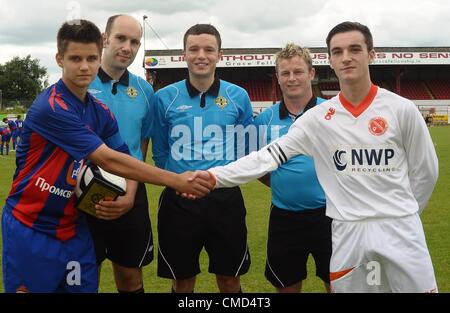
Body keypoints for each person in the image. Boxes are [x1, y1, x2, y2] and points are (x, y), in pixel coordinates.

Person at [194, 21, 439, 293]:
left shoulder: (402, 110)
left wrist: (403, 214)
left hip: (401, 230)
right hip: (348, 232)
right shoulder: (318, 119)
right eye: (338, 51)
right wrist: (213, 177)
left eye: (354, 49)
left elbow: (425, 173)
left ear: (371, 54)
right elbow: (266, 157)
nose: (346, 57)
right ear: (330, 60)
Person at [1, 19, 213, 293]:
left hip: (73, 225)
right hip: (31, 225)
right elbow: (108, 159)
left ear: (99, 54)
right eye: (75, 58)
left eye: (91, 58)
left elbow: (126, 154)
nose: (85, 66)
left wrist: (130, 193)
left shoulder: (100, 109)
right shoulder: (51, 107)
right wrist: (176, 180)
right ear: (59, 59)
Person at [152, 24, 253, 293]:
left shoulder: (238, 96)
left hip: (226, 198)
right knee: (182, 280)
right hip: (180, 200)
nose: (201, 55)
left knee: (230, 279)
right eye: (194, 49)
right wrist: (179, 181)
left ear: (220, 54)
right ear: (183, 54)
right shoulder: (164, 98)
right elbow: (160, 152)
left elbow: (245, 150)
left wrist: (220, 178)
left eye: (209, 49)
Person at [254, 43, 331, 293]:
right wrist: (282, 184)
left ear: (311, 73)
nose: (292, 78)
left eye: (298, 71)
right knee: (286, 287)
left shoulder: (333, 113)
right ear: (277, 77)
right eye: (285, 73)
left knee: (339, 285)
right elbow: (257, 166)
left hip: (332, 215)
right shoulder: (264, 120)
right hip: (284, 218)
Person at [86, 14, 154, 293]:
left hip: (130, 193)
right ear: (105, 38)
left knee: (130, 279)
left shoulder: (145, 90)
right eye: (121, 38)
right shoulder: (80, 81)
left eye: (134, 41)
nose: (127, 47)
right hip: (81, 194)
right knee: (84, 275)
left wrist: (132, 191)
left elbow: (142, 143)